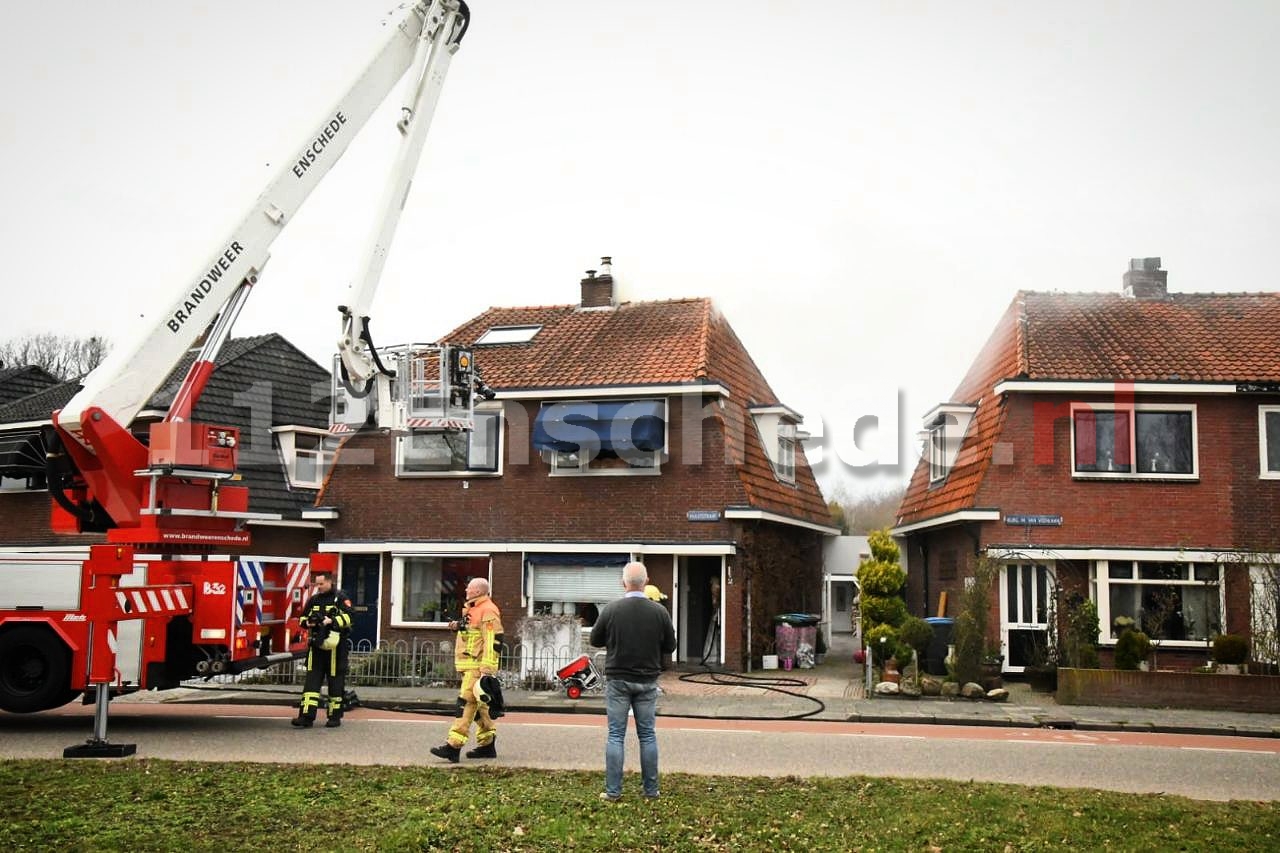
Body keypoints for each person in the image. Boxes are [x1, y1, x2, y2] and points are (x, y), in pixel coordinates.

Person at [589, 562, 676, 801]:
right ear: (646, 582)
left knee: (616, 735)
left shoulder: (611, 609)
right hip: (647, 679)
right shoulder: (659, 612)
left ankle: (613, 791)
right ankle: (651, 790)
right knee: (647, 734)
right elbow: (671, 646)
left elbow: (596, 640)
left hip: (618, 678)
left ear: (623, 583)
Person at [430, 577, 504, 762]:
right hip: (470, 665)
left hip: (477, 667)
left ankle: (453, 745)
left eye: (469, 589)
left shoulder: (488, 610)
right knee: (480, 707)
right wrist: (458, 626)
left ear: (478, 591)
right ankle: (487, 745)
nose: (466, 591)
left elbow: (492, 641)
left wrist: (487, 668)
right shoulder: (474, 608)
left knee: (466, 702)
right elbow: (473, 633)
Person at [291, 569, 354, 728]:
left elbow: (349, 618)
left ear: (329, 582)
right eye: (316, 584)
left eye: (321, 584)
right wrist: (309, 622)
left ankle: (334, 717)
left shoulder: (340, 599)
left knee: (335, 683)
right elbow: (302, 618)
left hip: (335, 649)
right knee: (311, 684)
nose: (318, 586)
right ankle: (306, 717)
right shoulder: (313, 600)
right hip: (317, 647)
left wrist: (330, 621)